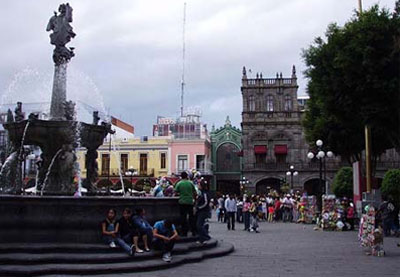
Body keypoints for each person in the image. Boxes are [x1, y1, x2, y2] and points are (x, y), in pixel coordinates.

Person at [174, 171, 197, 236]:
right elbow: (195, 193)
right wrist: (194, 200)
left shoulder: (179, 183)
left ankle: (184, 232)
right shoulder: (191, 183)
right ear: (187, 176)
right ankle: (193, 231)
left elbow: (175, 193)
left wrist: (180, 193)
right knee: (191, 217)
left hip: (182, 202)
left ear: (181, 176)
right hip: (190, 202)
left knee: (183, 218)